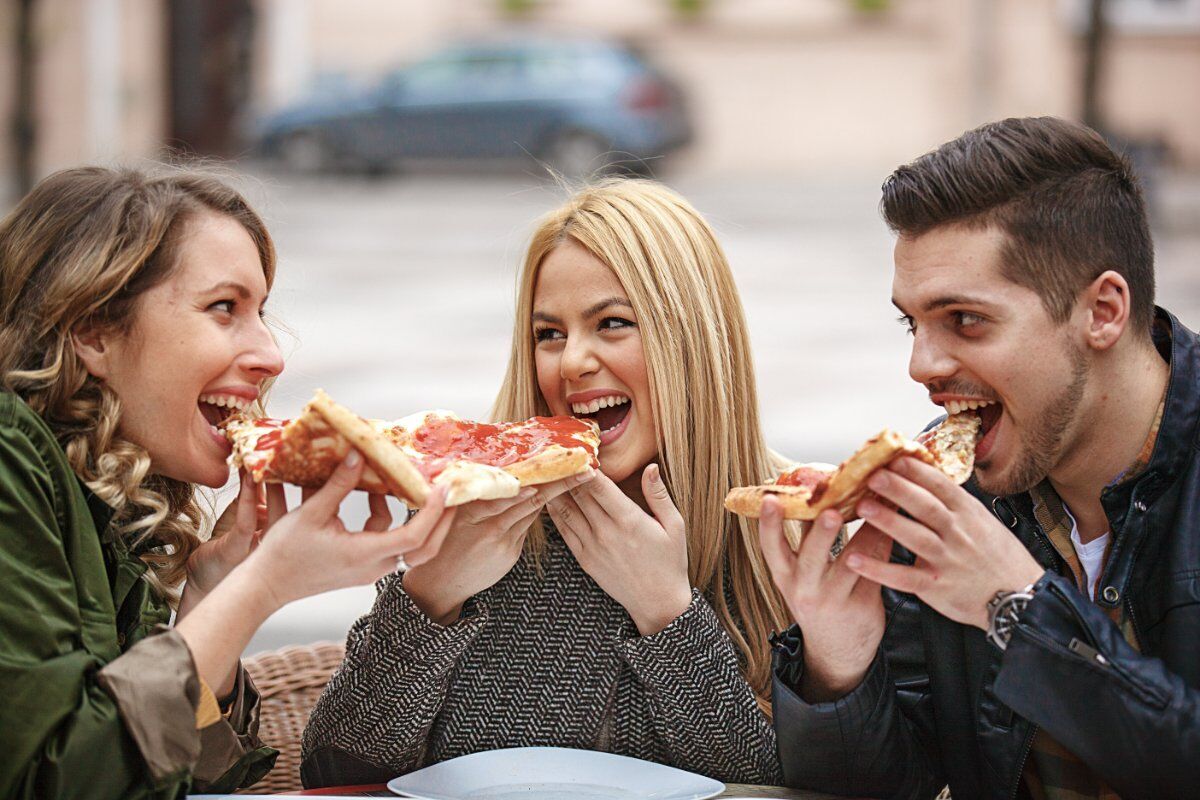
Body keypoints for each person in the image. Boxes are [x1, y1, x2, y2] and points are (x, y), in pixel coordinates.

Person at [762, 116, 1200, 799]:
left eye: (965, 320)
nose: (921, 366)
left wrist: (1020, 611)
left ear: (1103, 311)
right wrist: (839, 669)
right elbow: (883, 785)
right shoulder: (955, 491)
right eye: (913, 323)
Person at [301, 179, 794, 787]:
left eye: (612, 323)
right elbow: (331, 771)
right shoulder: (473, 512)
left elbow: (795, 784)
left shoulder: (791, 527)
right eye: (549, 334)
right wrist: (427, 598)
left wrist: (666, 611)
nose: (571, 362)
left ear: (690, 340)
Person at [0, 166, 456, 799]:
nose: (272, 354)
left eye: (261, 311)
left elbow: (195, 782)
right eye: (224, 308)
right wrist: (262, 590)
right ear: (93, 333)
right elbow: (60, 783)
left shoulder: (106, 493)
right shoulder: (8, 462)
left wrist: (215, 593)